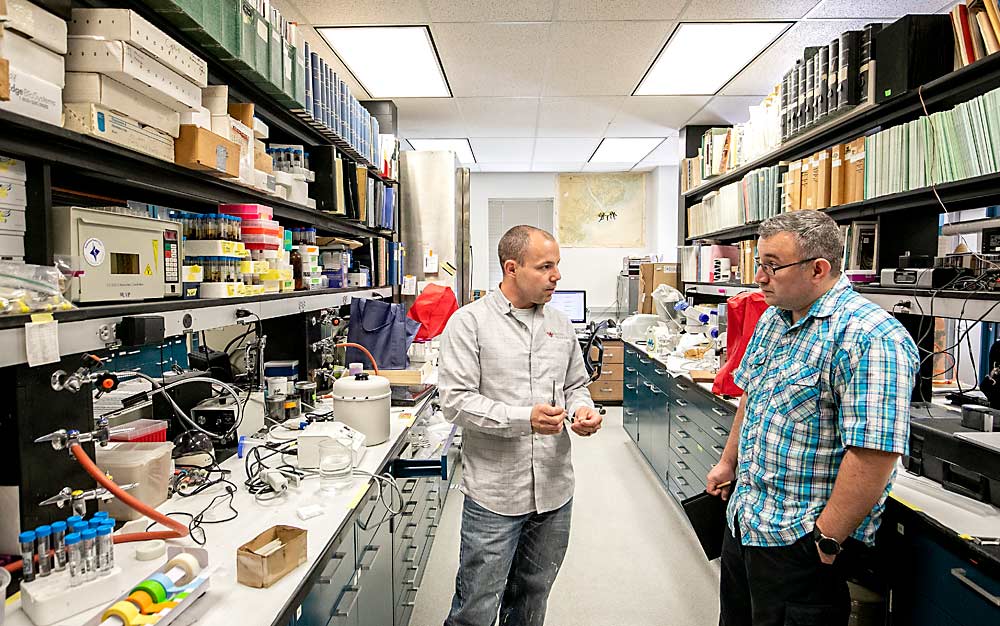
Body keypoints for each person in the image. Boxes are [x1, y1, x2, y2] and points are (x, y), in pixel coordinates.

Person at [705, 211, 919, 626]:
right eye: (758, 265)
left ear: (819, 268)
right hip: (746, 521)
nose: (760, 278)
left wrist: (827, 538)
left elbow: (874, 455)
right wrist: (728, 462)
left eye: (772, 266)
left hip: (800, 541)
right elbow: (752, 396)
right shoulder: (774, 318)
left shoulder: (871, 337)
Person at [439, 224, 603, 626]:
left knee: (532, 596)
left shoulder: (561, 325)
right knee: (476, 604)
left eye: (557, 265)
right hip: (496, 493)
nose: (557, 276)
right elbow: (455, 402)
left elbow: (576, 385)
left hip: (553, 489)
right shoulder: (469, 323)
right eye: (546, 266)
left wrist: (583, 410)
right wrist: (523, 418)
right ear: (512, 268)